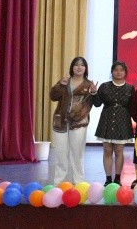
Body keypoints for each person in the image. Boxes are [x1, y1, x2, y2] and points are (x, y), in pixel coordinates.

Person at [50, 56, 97, 184]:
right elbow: (53, 96)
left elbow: (96, 103)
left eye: (82, 65)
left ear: (85, 68)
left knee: (77, 153)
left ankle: (79, 182)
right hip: (61, 122)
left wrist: (94, 93)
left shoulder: (89, 84)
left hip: (79, 123)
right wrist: (61, 85)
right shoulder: (65, 81)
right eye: (76, 64)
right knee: (60, 153)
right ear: (72, 67)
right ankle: (59, 182)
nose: (79, 67)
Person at [93, 61, 134, 185]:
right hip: (107, 119)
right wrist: (94, 93)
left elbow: (133, 106)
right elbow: (97, 104)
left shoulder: (130, 88)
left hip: (122, 121)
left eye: (121, 70)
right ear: (112, 72)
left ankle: (117, 178)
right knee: (107, 150)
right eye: (116, 70)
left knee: (119, 151)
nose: (118, 72)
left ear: (125, 72)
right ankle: (108, 178)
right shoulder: (104, 86)